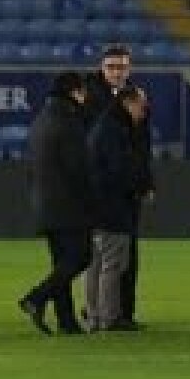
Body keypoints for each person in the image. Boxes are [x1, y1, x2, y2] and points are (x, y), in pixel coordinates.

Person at [81, 43, 153, 329]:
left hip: (121, 189)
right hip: (109, 190)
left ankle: (113, 312)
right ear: (101, 67)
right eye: (111, 66)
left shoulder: (134, 97)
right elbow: (120, 156)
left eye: (121, 66)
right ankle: (107, 314)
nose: (116, 72)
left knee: (116, 256)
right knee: (110, 257)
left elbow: (142, 148)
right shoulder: (92, 99)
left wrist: (145, 181)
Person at [18, 72, 93, 336]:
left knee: (62, 262)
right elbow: (77, 168)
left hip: (45, 204)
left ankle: (66, 321)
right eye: (83, 92)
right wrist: (91, 201)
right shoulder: (68, 122)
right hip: (68, 206)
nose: (85, 97)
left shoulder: (41, 121)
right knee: (82, 256)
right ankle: (36, 298)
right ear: (73, 92)